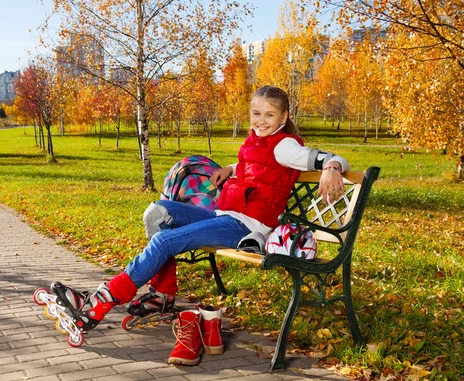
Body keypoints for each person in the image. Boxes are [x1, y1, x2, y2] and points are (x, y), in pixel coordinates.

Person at [50, 85, 349, 366]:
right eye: (256, 113)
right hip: (227, 215)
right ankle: (161, 294)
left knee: (164, 241)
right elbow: (257, 165)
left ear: (284, 117)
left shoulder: (285, 145)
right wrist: (230, 169)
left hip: (246, 226)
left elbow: (328, 158)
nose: (261, 120)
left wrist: (332, 168)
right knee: (158, 212)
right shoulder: (258, 139)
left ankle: (102, 301)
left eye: (269, 115)